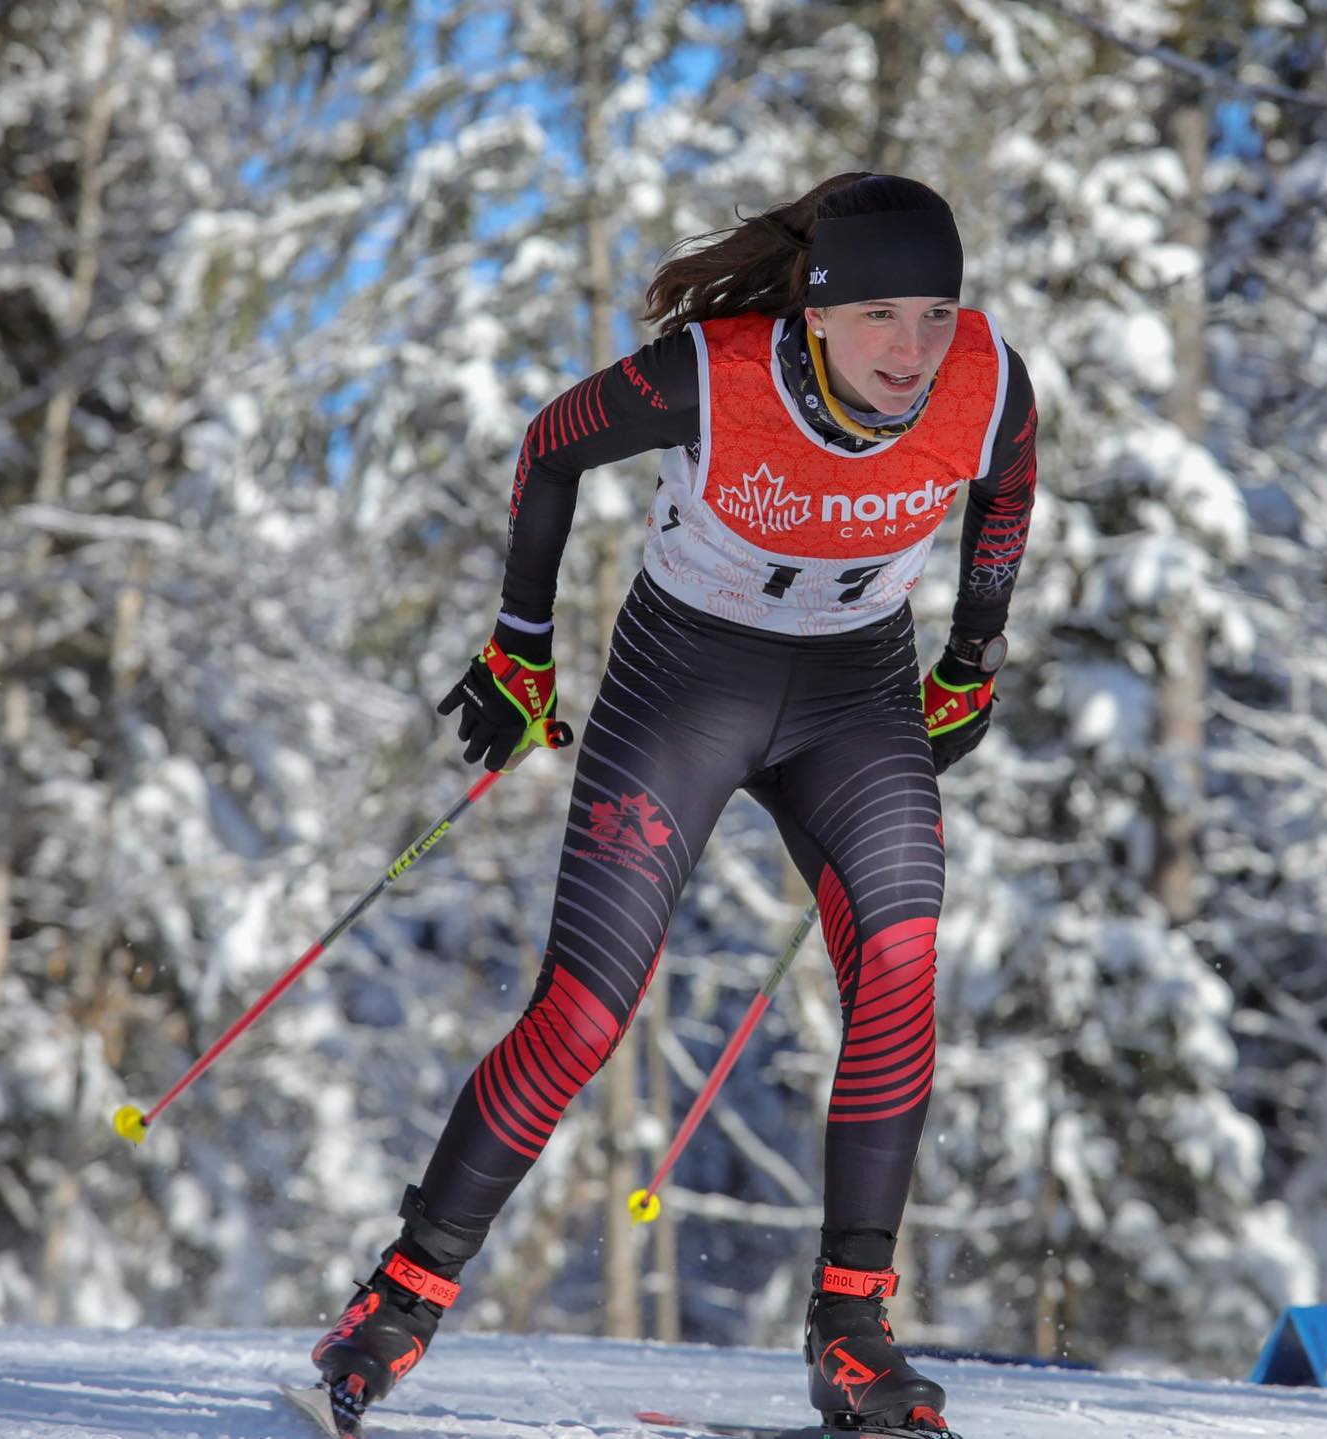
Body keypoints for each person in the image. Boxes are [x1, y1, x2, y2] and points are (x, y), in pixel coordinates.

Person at [306, 172, 1038, 1439]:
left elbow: (1005, 493)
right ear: (814, 313)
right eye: (878, 316)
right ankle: (397, 1300)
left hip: (855, 697)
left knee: (904, 964)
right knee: (586, 1009)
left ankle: (853, 1331)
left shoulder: (987, 380)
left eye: (932, 313)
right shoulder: (710, 372)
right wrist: (520, 647)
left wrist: (972, 658)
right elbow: (549, 444)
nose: (911, 349)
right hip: (682, 689)